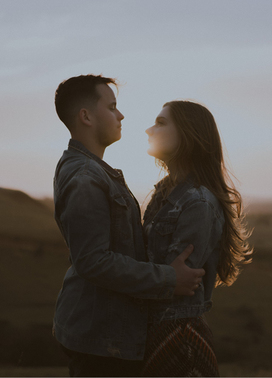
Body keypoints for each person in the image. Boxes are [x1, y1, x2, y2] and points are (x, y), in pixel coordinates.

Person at [52, 74, 207, 377]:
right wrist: (169, 278)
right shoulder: (86, 177)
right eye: (112, 107)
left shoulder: (90, 170)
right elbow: (92, 261)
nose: (121, 115)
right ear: (86, 117)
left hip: (103, 330)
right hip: (101, 337)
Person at [139, 100, 253, 377]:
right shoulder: (165, 192)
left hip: (179, 337)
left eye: (161, 123)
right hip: (152, 329)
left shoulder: (198, 203)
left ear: (189, 135)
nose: (149, 130)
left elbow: (175, 283)